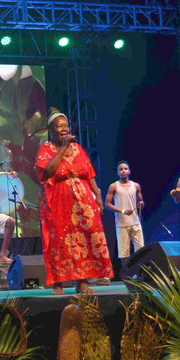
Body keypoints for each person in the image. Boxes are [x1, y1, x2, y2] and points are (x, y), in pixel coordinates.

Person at [35, 109, 113, 295]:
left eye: (66, 125)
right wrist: (62, 147)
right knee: (58, 240)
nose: (64, 128)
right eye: (59, 126)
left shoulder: (78, 149)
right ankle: (58, 284)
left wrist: (98, 197)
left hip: (83, 201)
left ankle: (82, 283)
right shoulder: (46, 149)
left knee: (84, 239)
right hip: (58, 200)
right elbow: (48, 172)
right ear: (50, 130)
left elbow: (89, 174)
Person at [105, 160, 144, 264]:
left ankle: (140, 273)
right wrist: (122, 211)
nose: (123, 171)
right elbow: (107, 204)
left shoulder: (135, 185)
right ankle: (127, 276)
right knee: (124, 252)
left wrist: (141, 203)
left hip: (135, 222)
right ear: (117, 172)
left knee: (141, 250)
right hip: (122, 223)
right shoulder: (114, 186)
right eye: (120, 169)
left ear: (129, 171)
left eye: (125, 169)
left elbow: (140, 201)